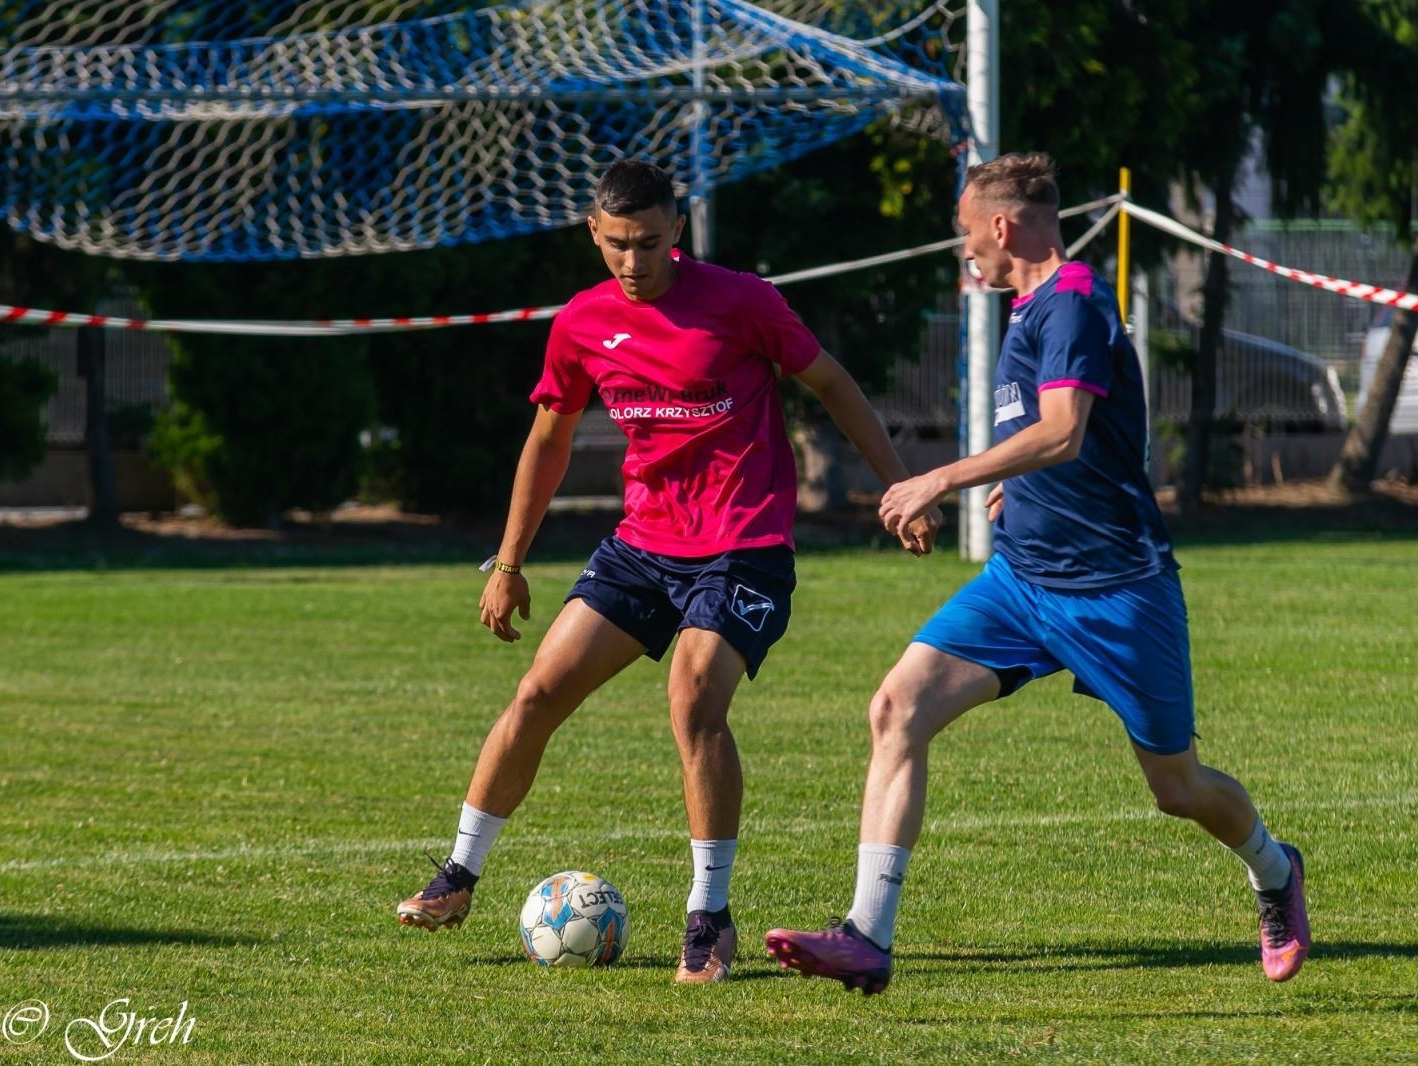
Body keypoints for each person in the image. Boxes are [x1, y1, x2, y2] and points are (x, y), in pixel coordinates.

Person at [764, 152, 1309, 994]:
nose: (964, 253)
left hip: (1117, 589)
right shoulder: (1025, 310)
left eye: (965, 236)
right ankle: (867, 936)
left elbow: (1063, 431)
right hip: (1022, 584)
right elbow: (1044, 441)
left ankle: (1275, 872)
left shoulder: (1076, 303)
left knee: (1178, 787)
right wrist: (1010, 491)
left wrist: (946, 476)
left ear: (1002, 226)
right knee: (896, 708)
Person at [396, 159, 938, 985]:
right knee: (538, 692)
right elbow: (549, 439)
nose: (632, 261)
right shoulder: (580, 323)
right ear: (593, 233)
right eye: (615, 245)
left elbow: (832, 383)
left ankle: (709, 918)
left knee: (693, 699)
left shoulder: (744, 302)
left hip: (744, 545)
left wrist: (898, 483)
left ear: (677, 229)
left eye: (648, 243)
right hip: (645, 547)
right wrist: (508, 561)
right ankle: (459, 876)